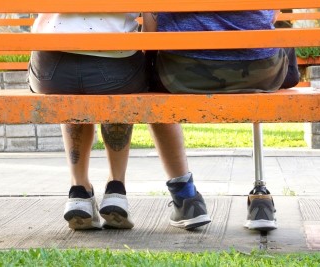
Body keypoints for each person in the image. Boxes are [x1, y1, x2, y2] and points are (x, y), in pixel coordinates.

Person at [28, 13, 211, 231]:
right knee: (124, 88)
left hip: (51, 71)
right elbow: (152, 16)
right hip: (115, 66)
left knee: (71, 94)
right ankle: (116, 189)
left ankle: (79, 191)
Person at [143, 10, 300, 232]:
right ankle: (260, 197)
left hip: (182, 73)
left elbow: (151, 30)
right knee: (274, 37)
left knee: (152, 91)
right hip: (261, 72)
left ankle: (186, 199)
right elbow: (271, 16)